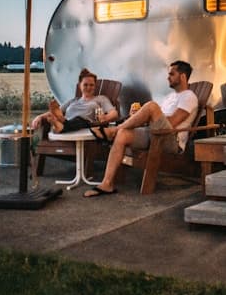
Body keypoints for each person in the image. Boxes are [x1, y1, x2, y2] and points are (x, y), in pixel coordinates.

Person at [83, 60, 198, 197]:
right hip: (154, 133)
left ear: (183, 76)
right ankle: (107, 184)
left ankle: (112, 130)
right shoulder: (170, 97)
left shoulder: (189, 97)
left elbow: (172, 122)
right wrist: (137, 117)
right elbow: (157, 120)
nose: (168, 77)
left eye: (172, 74)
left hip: (171, 140)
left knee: (151, 106)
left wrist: (147, 115)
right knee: (123, 133)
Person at [30, 68, 118, 134]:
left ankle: (60, 124)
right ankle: (61, 123)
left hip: (86, 125)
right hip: (69, 124)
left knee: (79, 120)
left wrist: (105, 118)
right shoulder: (73, 101)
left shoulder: (100, 99)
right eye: (85, 85)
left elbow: (114, 113)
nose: (88, 87)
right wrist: (40, 117)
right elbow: (55, 112)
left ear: (95, 86)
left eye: (91, 85)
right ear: (80, 86)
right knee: (56, 115)